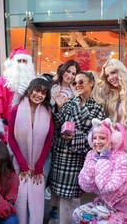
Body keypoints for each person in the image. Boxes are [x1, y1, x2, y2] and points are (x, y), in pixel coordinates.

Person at [49, 71, 105, 224]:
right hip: (61, 156)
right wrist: (57, 106)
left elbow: (95, 136)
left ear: (91, 83)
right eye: (75, 83)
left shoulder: (97, 107)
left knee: (73, 198)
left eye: (81, 82)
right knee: (61, 199)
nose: (77, 85)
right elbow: (59, 124)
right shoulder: (70, 102)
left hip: (77, 157)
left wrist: (75, 136)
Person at [72, 118, 127, 224]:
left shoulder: (123, 158)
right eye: (94, 138)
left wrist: (103, 159)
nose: (97, 142)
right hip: (103, 205)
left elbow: (106, 187)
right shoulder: (92, 155)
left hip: (123, 210)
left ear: (112, 139)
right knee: (78, 214)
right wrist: (93, 160)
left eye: (102, 138)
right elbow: (85, 185)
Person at [8, 78, 54, 224]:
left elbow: (49, 139)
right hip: (19, 163)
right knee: (20, 199)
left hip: (39, 166)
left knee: (37, 201)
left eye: (43, 93)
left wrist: (40, 164)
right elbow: (10, 138)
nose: (39, 95)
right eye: (37, 90)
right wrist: (22, 163)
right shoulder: (16, 109)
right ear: (30, 90)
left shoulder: (48, 111)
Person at [47, 60, 80, 221]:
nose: (70, 75)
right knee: (53, 172)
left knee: (64, 176)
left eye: (73, 73)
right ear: (62, 71)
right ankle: (54, 206)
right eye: (68, 71)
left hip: (66, 138)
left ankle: (65, 211)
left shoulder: (75, 92)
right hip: (51, 134)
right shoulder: (51, 88)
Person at [98, 59, 127, 169]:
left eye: (113, 72)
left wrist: (124, 146)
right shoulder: (113, 93)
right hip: (116, 147)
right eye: (107, 76)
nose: (110, 78)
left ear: (121, 71)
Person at [0, 47, 36, 142]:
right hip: (7, 130)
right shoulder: (1, 82)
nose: (21, 64)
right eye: (19, 61)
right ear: (12, 63)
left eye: (24, 61)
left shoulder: (34, 82)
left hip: (29, 130)